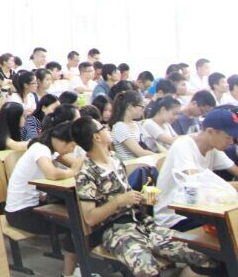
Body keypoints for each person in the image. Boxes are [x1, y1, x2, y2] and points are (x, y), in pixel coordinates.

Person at [72, 117, 218, 277]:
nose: (108, 128)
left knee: (203, 254)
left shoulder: (114, 158)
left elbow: (126, 195)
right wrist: (119, 201)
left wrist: (141, 197)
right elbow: (90, 218)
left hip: (144, 224)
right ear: (96, 137)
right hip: (116, 231)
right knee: (147, 270)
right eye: (102, 127)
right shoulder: (86, 173)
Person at [4, 122, 81, 276]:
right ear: (61, 141)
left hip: (33, 205)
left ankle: (77, 264)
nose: (72, 150)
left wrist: (74, 166)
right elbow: (52, 173)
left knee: (75, 211)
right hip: (20, 213)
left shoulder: (50, 149)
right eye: (72, 145)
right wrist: (72, 172)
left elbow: (77, 163)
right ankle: (69, 272)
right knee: (74, 223)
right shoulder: (40, 149)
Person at [155, 108, 238, 230]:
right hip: (174, 218)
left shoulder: (213, 149)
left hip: (199, 212)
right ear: (210, 131)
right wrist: (233, 186)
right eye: (228, 137)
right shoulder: (183, 145)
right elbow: (195, 184)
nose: (231, 142)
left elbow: (235, 170)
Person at [109, 90, 150, 161]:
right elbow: (140, 152)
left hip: (143, 163)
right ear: (130, 106)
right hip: (132, 165)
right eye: (142, 107)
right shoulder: (120, 127)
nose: (143, 110)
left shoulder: (137, 124)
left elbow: (149, 143)